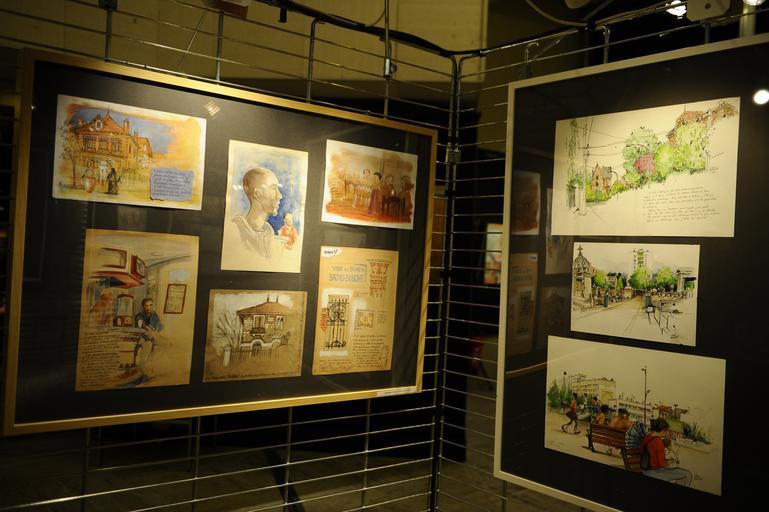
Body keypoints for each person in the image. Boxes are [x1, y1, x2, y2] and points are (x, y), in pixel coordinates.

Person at [232, 167, 282, 259]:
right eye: (273, 188)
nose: (280, 195)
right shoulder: (235, 230)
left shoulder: (269, 232)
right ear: (257, 193)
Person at [640, 418, 692, 486]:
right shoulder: (658, 442)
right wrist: (671, 460)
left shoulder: (647, 437)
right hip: (653, 472)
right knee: (687, 474)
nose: (667, 433)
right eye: (667, 430)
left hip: (645, 469)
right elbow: (662, 463)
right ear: (663, 430)